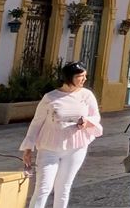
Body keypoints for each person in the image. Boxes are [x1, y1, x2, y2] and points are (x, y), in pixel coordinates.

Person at [19, 62, 103, 208]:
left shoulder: (87, 95)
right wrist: (28, 148)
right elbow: (37, 122)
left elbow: (95, 116)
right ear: (69, 78)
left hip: (76, 147)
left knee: (64, 187)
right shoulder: (50, 98)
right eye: (80, 76)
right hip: (49, 147)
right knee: (43, 188)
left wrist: (87, 122)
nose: (84, 79)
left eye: (85, 76)